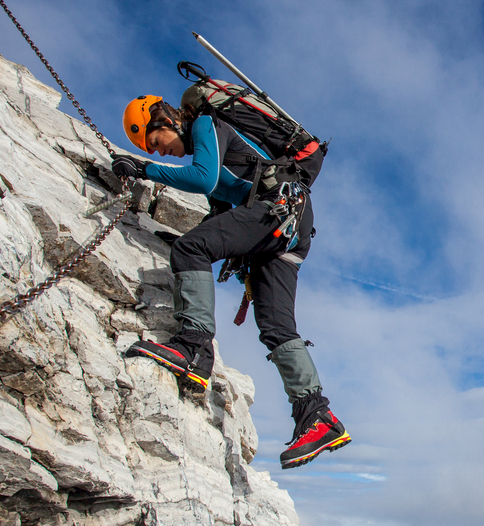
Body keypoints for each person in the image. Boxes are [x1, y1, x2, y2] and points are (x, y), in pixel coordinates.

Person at [112, 94, 350, 469]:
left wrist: (144, 169)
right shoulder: (218, 152)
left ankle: (192, 347)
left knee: (191, 250)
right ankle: (318, 417)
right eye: (154, 152)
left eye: (157, 144)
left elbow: (202, 178)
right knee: (275, 326)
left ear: (165, 121)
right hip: (291, 226)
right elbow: (221, 211)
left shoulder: (206, 124)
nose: (165, 154)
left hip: (278, 211)